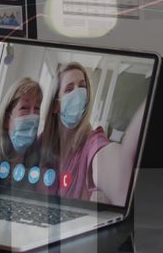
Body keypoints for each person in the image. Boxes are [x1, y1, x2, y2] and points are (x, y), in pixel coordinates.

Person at [38, 63, 145, 205]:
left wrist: (124, 171)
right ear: (55, 105)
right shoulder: (40, 142)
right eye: (69, 89)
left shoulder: (92, 141)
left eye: (82, 87)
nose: (78, 93)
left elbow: (113, 167)